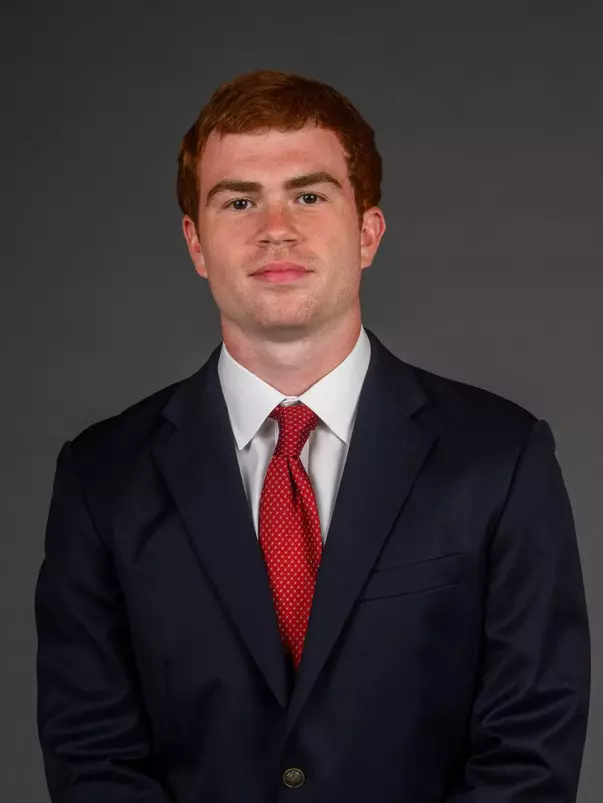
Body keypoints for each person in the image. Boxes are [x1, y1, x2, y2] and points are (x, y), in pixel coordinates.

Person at [35, 70, 590, 803]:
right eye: (239, 201)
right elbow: (91, 753)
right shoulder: (101, 476)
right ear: (196, 244)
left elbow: (530, 744)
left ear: (367, 232)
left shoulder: (501, 457)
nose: (275, 230)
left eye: (308, 194)